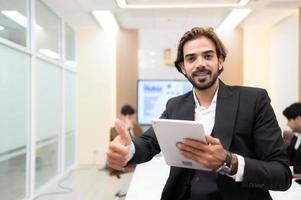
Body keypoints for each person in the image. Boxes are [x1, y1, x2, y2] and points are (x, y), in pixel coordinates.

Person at [106, 27, 292, 200]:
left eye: (208, 56)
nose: (200, 64)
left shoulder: (253, 100)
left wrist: (229, 161)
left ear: (220, 61)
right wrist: (128, 150)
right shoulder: (175, 106)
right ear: (182, 68)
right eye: (191, 58)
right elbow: (149, 143)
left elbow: (281, 174)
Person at [283, 102, 301, 177]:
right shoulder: (296, 136)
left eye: (289, 120)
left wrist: (289, 172)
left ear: (298, 119)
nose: (287, 124)